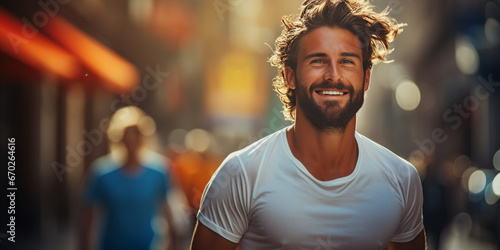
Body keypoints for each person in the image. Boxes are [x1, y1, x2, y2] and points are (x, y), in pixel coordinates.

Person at [191, 0, 426, 249]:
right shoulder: (241, 174)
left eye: (347, 61)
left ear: (366, 78)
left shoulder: (402, 180)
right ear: (289, 75)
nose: (333, 75)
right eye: (318, 61)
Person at [79, 106, 177, 250]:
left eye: (136, 133)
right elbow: (87, 218)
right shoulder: (101, 172)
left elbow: (169, 214)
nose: (131, 139)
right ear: (118, 137)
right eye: (126, 134)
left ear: (144, 137)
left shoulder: (159, 171)